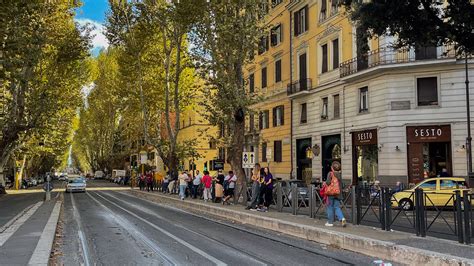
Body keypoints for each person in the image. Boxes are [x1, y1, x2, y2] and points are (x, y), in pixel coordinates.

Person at [324, 161, 346, 227]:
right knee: (337, 207)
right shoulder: (339, 174)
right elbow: (342, 185)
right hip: (338, 194)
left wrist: (325, 183)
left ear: (332, 168)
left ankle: (330, 222)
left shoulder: (330, 174)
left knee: (330, 207)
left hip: (331, 193)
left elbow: (328, 182)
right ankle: (342, 218)